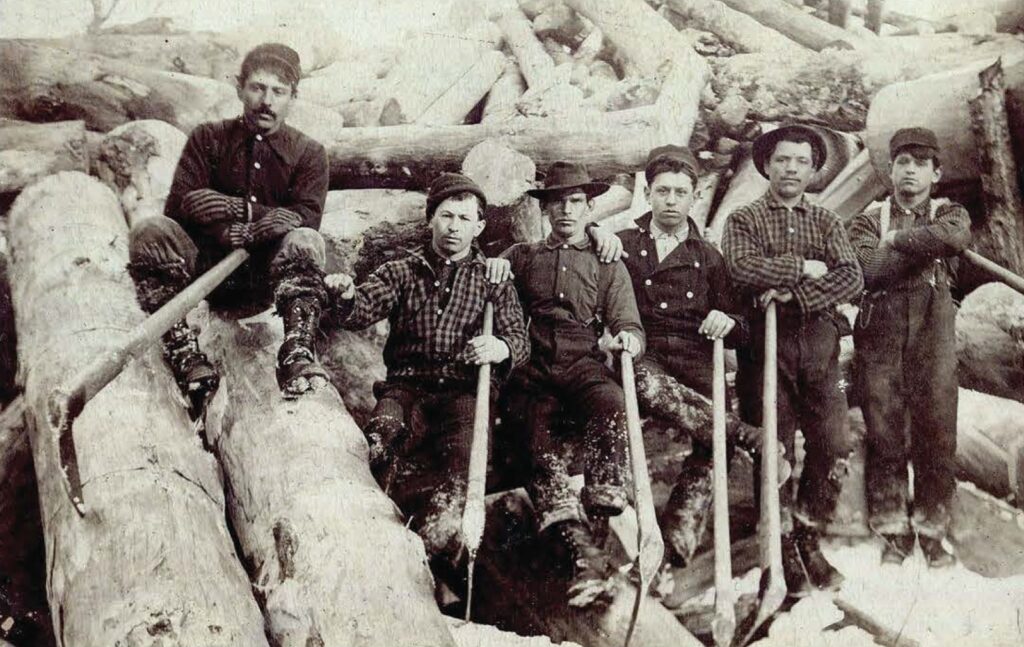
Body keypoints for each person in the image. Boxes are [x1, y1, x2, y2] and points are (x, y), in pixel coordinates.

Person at [322, 173, 530, 580]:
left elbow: (519, 340)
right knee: (380, 441)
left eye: (465, 219)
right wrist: (346, 295)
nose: (455, 227)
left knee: (462, 469)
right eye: (447, 216)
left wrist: (500, 348)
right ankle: (363, 539)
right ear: (430, 219)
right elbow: (362, 308)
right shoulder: (404, 270)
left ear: (480, 226)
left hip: (464, 392)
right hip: (407, 386)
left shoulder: (492, 280)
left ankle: (421, 561)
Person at [127, 43, 330, 408]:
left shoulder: (309, 153)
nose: (266, 101)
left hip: (268, 280)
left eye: (278, 92)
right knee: (150, 231)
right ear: (239, 89)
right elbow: (181, 207)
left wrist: (237, 214)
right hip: (205, 272)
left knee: (304, 239)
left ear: (292, 97)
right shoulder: (208, 138)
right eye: (257, 87)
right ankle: (184, 352)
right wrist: (236, 226)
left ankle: (297, 350)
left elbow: (305, 217)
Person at [722, 124, 863, 597]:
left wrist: (792, 294)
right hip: (765, 348)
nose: (792, 169)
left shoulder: (825, 222)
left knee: (833, 445)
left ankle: (808, 533)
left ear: (813, 169)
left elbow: (851, 278)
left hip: (820, 346)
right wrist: (801, 267)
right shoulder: (743, 219)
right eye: (783, 160)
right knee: (774, 450)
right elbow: (741, 267)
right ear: (766, 165)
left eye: (801, 162)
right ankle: (778, 550)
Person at [500, 161, 645, 607]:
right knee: (532, 432)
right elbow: (489, 281)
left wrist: (628, 341)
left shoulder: (606, 263)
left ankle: (600, 511)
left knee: (612, 402)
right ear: (545, 210)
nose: (566, 210)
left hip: (583, 361)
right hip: (532, 365)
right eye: (558, 202)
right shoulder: (522, 257)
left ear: (589, 208)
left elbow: (629, 323)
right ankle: (583, 551)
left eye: (576, 202)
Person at [618, 145, 763, 567]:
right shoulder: (623, 246)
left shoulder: (708, 257)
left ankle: (681, 528)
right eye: (662, 191)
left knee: (711, 434)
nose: (671, 201)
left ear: (695, 196)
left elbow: (744, 326)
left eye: (681, 193)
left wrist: (726, 321)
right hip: (643, 348)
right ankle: (737, 432)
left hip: (695, 355)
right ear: (647, 193)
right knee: (645, 383)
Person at [847, 128, 970, 568]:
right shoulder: (868, 218)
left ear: (936, 173)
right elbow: (868, 268)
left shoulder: (949, 211)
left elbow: (954, 238)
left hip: (933, 335)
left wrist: (898, 241)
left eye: (920, 163)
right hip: (880, 334)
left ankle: (933, 531)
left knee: (937, 431)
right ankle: (893, 531)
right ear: (891, 169)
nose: (910, 171)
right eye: (903, 162)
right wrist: (923, 245)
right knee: (884, 432)